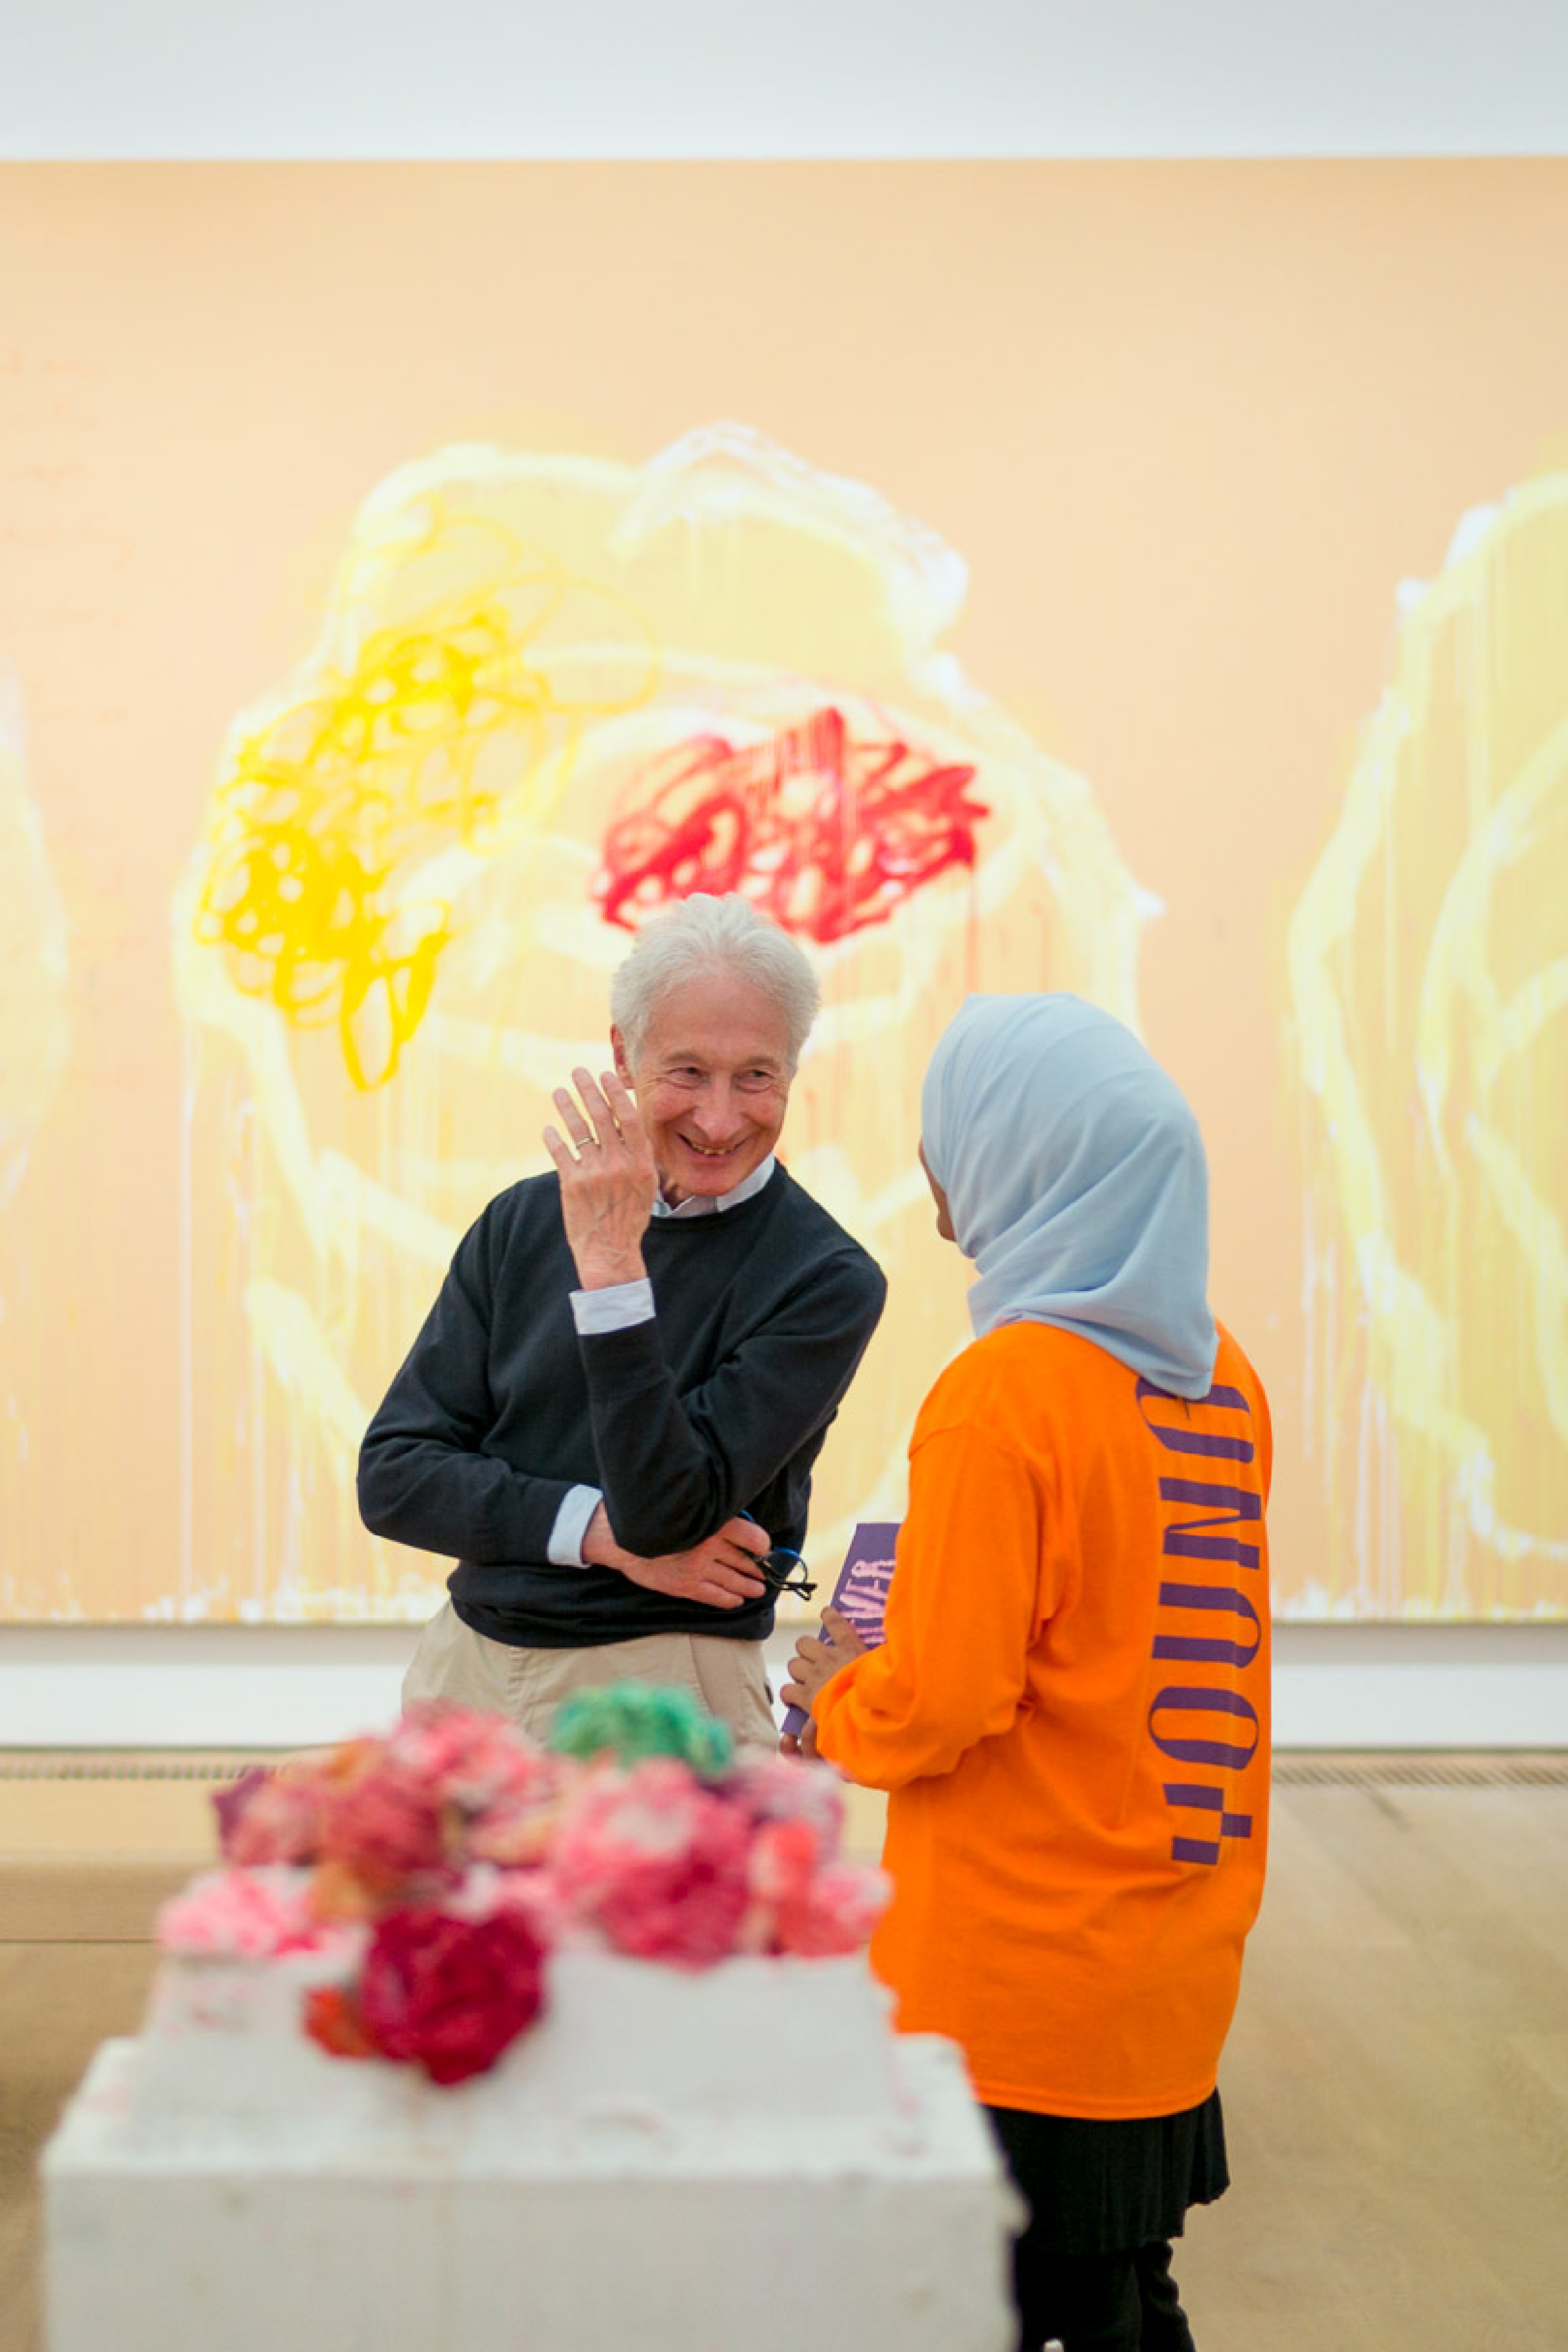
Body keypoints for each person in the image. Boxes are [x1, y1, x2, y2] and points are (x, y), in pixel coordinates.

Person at [783, 993, 1271, 2352]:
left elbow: (943, 1700)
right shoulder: (1221, 1376)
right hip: (1165, 1966)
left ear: (1026, 1157)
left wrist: (833, 1695)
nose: (936, 1174)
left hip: (1017, 1989)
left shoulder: (1005, 1398)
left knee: (986, 2311)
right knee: (1120, 2298)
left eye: (950, 1136)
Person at [360, 892, 886, 1752]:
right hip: (468, 1675)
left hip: (672, 1685)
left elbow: (665, 1512)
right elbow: (395, 1477)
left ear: (792, 1070)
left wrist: (612, 1276)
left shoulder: (824, 1278)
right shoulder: (520, 1223)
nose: (720, 1119)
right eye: (686, 1072)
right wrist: (597, 1537)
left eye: (755, 1075)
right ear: (622, 1053)